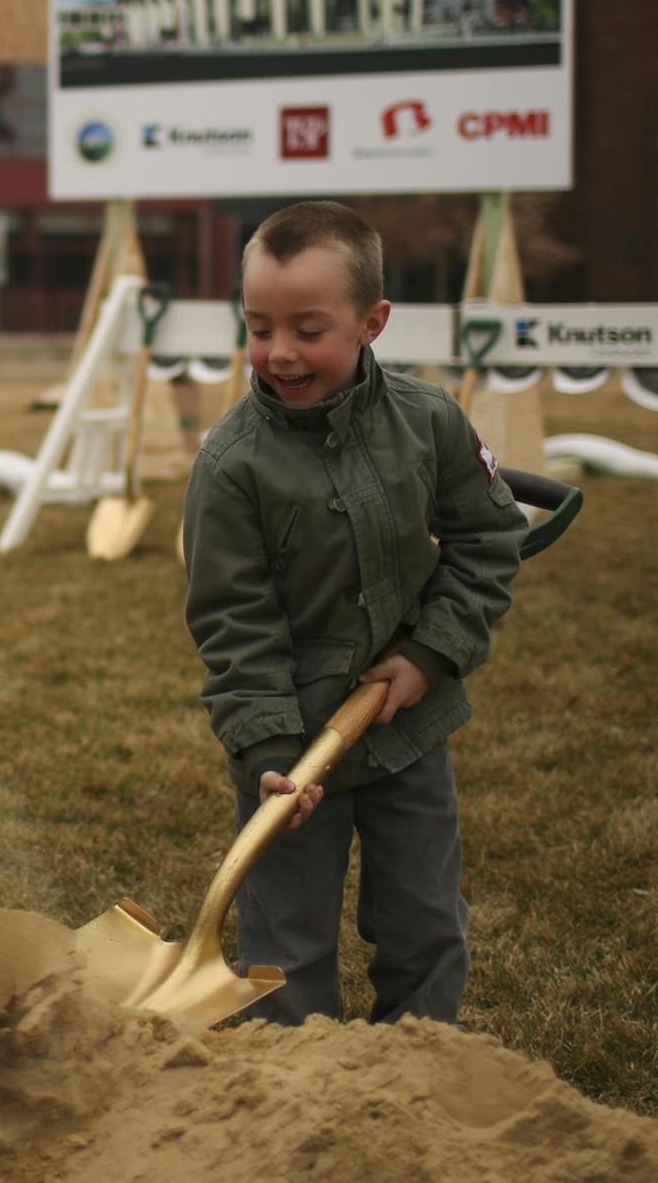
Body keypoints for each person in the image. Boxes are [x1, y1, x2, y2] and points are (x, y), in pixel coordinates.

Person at [181, 200, 526, 1025]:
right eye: (259, 327)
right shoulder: (231, 467)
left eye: (308, 328)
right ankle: (298, 1097)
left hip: (406, 735)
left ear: (372, 322)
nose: (280, 352)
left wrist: (430, 653)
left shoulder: (429, 421)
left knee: (425, 925)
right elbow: (234, 621)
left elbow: (487, 541)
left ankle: (415, 1075)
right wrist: (271, 753)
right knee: (284, 949)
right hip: (292, 754)